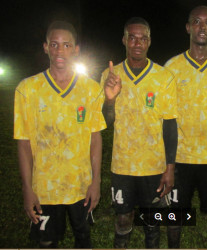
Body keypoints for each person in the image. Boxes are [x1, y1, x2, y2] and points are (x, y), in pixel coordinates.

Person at [14, 20, 106, 248]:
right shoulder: (27, 89)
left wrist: (96, 181)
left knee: (83, 238)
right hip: (44, 188)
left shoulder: (91, 89)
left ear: (75, 49)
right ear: (45, 47)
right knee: (46, 242)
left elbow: (95, 138)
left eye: (66, 45)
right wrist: (27, 188)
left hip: (80, 186)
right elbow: (23, 143)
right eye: (54, 44)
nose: (60, 51)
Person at [100, 17, 178, 248]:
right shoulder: (109, 75)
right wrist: (109, 99)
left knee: (153, 221)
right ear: (124, 40)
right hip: (122, 165)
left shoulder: (164, 76)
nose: (137, 43)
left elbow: (170, 125)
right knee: (123, 219)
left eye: (143, 38)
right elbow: (105, 121)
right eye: (132, 37)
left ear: (149, 41)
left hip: (154, 165)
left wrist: (170, 168)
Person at [165, 6, 207, 248]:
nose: (202, 26)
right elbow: (167, 114)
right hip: (180, 157)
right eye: (196, 21)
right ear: (188, 27)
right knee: (175, 212)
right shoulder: (172, 67)